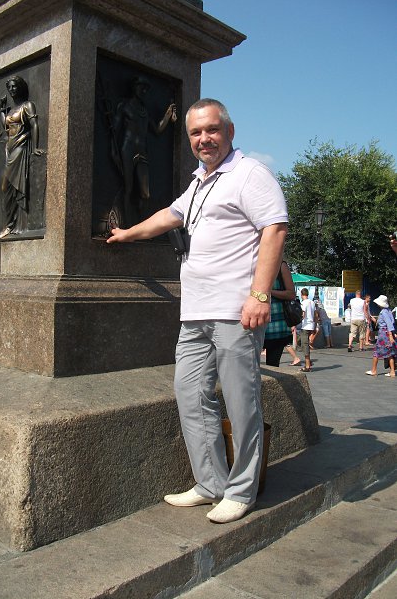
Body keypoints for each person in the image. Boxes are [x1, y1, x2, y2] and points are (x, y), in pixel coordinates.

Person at [107, 98, 288, 523]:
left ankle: (241, 491)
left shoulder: (249, 174)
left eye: (212, 129)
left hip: (235, 311)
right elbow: (169, 217)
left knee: (242, 402)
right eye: (195, 132)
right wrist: (127, 234)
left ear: (229, 131)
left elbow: (275, 229)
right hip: (194, 313)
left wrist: (260, 296)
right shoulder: (199, 182)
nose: (204, 139)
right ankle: (211, 484)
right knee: (190, 393)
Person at [112, 77, 177, 227]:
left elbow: (157, 130)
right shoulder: (124, 106)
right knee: (128, 188)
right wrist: (113, 150)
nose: (144, 90)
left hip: (142, 151)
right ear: (134, 87)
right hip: (127, 149)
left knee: (145, 193)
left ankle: (141, 226)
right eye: (141, 86)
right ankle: (125, 224)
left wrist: (168, 114)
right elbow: (114, 130)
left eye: (146, 88)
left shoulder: (144, 111)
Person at [0, 76, 45, 239]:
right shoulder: (11, 110)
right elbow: (5, 126)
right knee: (5, 187)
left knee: (7, 186)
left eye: (14, 86)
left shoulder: (27, 105)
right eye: (9, 87)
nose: (11, 90)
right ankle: (11, 224)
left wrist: (36, 147)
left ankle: (10, 225)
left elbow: (34, 125)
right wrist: (1, 110)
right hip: (9, 149)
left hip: (21, 148)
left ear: (20, 87)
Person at [263, 261, 295, 366]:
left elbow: (291, 294)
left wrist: (268, 292)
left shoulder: (281, 265)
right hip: (255, 323)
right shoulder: (249, 262)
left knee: (273, 365)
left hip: (277, 327)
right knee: (249, 367)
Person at [365, 295, 396, 377]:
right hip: (388, 333)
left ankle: (374, 370)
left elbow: (389, 324)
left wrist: (390, 335)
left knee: (376, 352)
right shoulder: (388, 311)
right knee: (390, 352)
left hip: (384, 334)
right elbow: (392, 322)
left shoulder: (383, 312)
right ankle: (392, 371)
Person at [300, 288, 315, 372]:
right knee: (304, 344)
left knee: (304, 345)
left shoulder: (304, 303)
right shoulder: (312, 302)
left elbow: (303, 314)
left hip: (305, 326)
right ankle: (308, 361)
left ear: (301, 294)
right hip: (311, 325)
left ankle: (307, 365)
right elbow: (315, 314)